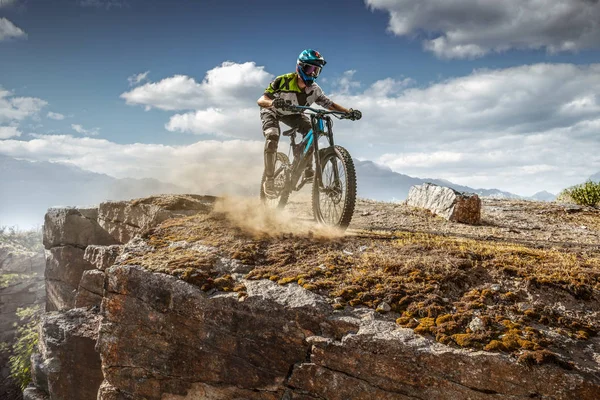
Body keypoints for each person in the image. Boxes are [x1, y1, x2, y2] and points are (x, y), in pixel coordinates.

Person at [257, 49, 361, 196]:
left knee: (312, 131)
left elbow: (329, 104)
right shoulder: (282, 80)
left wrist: (348, 112)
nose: (312, 73)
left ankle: (306, 167)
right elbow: (261, 100)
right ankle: (269, 180)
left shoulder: (314, 90)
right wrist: (273, 102)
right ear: (300, 67)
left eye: (316, 70)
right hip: (272, 111)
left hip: (293, 114)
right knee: (272, 135)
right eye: (310, 68)